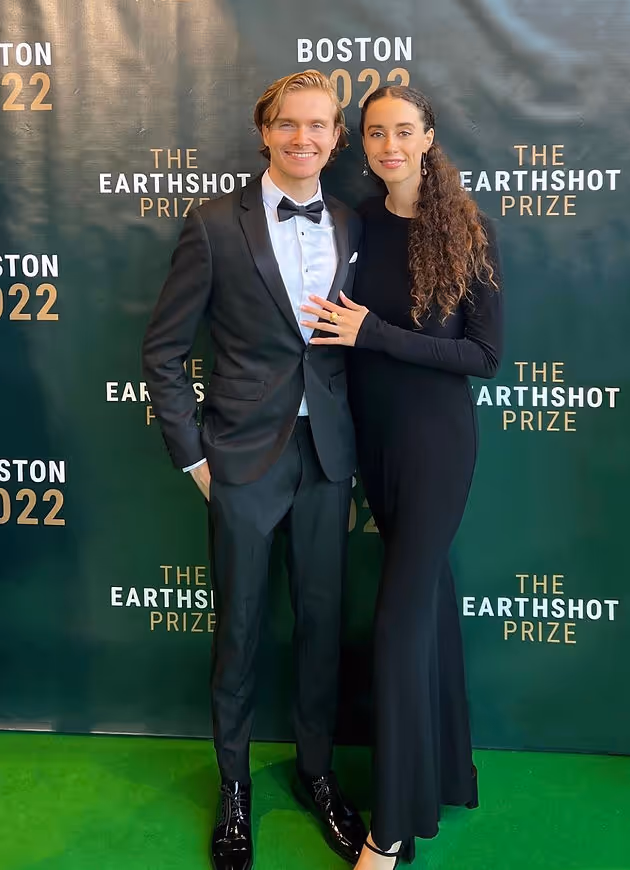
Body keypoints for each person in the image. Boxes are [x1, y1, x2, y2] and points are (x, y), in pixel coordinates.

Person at [142, 70, 367, 870]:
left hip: (327, 459)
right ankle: (233, 789)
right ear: (264, 131)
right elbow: (164, 353)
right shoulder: (211, 225)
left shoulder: (349, 219)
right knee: (237, 632)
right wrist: (196, 458)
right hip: (240, 460)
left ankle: (316, 773)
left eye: (320, 125)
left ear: (338, 138)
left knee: (320, 631)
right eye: (288, 124)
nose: (304, 138)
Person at [300, 85, 503, 868]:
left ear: (428, 138)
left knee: (399, 620)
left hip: (435, 445)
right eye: (376, 133)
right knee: (430, 605)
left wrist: (374, 333)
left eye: (403, 132)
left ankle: (391, 830)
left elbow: (483, 358)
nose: (389, 146)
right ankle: (448, 772)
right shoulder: (356, 227)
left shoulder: (467, 231)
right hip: (373, 442)